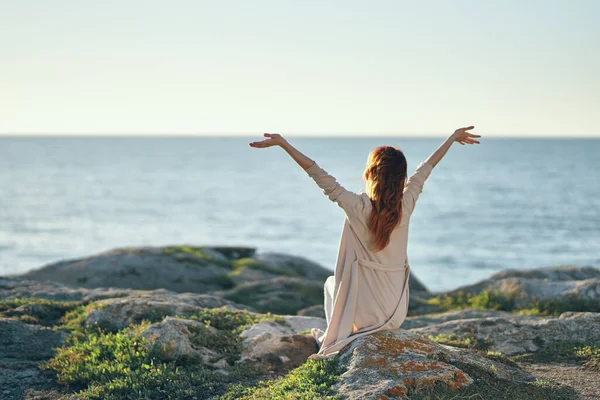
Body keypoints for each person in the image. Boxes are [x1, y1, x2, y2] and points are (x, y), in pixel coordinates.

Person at [249, 127, 481, 359]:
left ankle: (336, 336)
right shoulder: (406, 204)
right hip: (395, 315)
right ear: (402, 177)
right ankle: (341, 334)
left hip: (362, 317)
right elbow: (425, 169)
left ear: (370, 173)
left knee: (332, 283)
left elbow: (317, 173)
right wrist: (451, 139)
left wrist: (284, 144)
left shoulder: (356, 206)